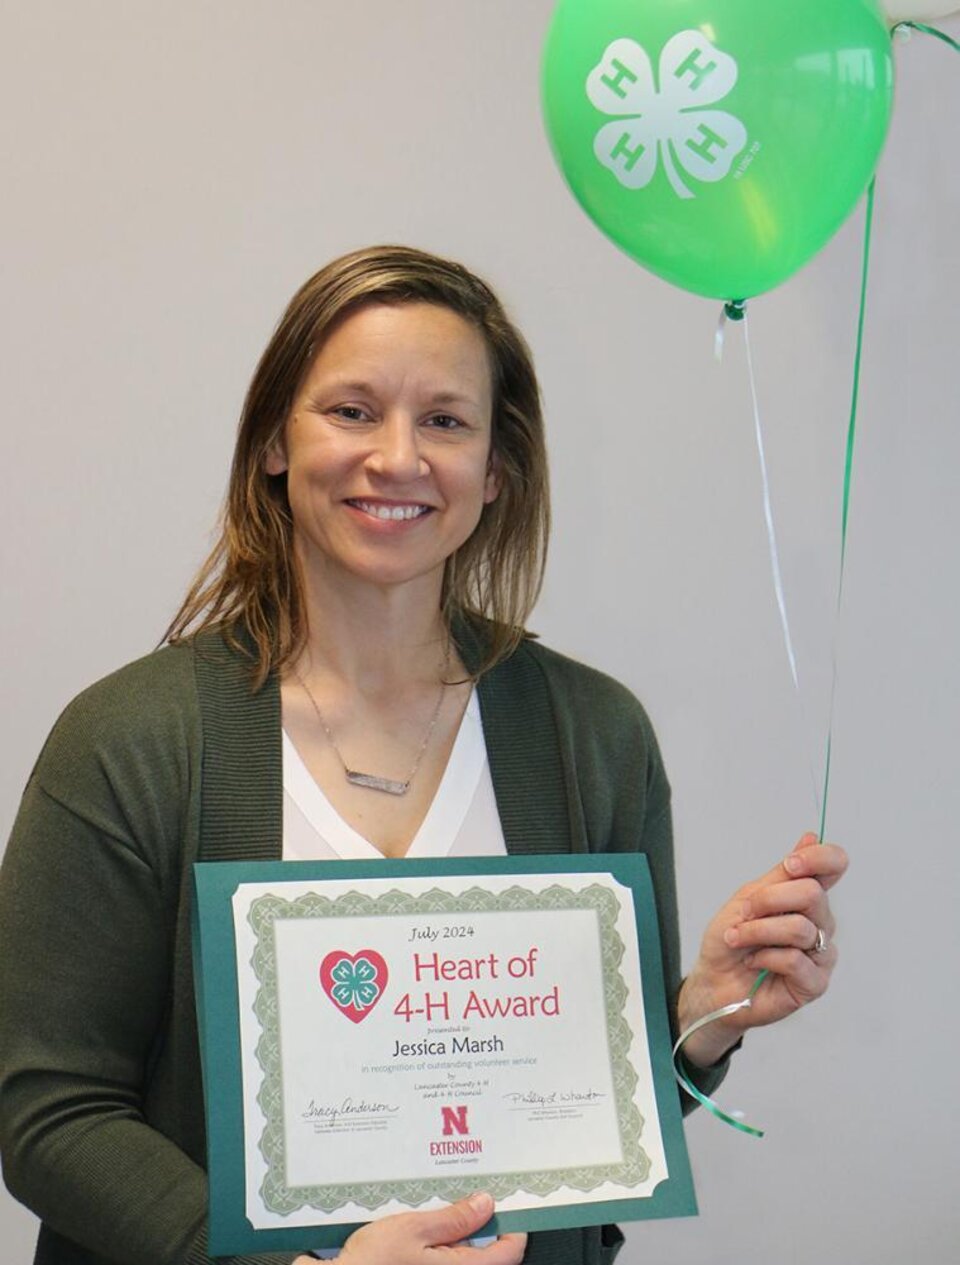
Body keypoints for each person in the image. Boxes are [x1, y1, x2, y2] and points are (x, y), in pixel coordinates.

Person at [0, 246, 847, 1265]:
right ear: (275, 439)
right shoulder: (132, 739)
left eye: (444, 419)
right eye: (352, 410)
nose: (398, 457)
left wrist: (701, 1017)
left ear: (496, 470)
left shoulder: (594, 734)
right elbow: (45, 1108)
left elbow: (582, 1126)